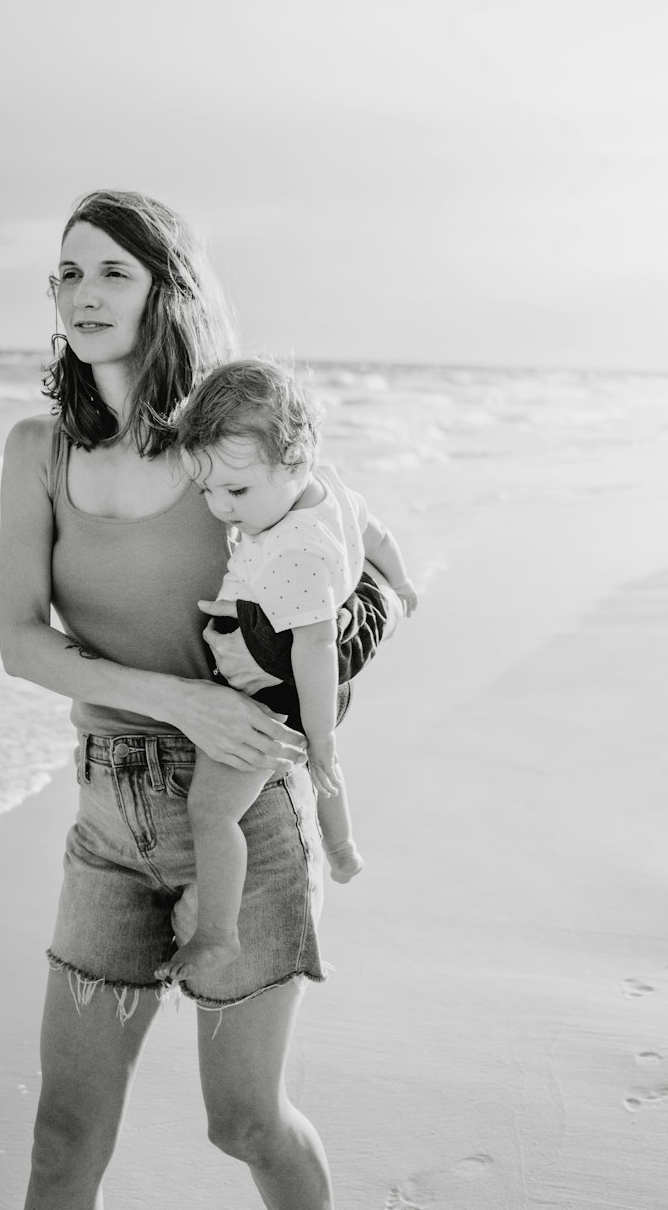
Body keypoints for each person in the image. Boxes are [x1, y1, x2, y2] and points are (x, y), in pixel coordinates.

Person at [0, 190, 336, 1209]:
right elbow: (20, 642)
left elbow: (350, 563)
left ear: (166, 290)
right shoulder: (35, 451)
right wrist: (174, 699)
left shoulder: (227, 445)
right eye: (67, 271)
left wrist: (330, 672)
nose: (82, 292)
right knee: (64, 1131)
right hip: (106, 817)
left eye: (112, 270)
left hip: (235, 817)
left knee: (243, 1122)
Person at [153, 359, 418, 990]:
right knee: (323, 765)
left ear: (294, 462)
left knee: (213, 812)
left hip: (282, 694)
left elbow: (317, 645)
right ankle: (344, 848)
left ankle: (218, 934)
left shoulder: (295, 548)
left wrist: (316, 733)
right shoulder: (331, 488)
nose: (220, 509)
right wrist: (402, 581)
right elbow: (377, 534)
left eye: (236, 492)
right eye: (207, 492)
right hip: (314, 695)